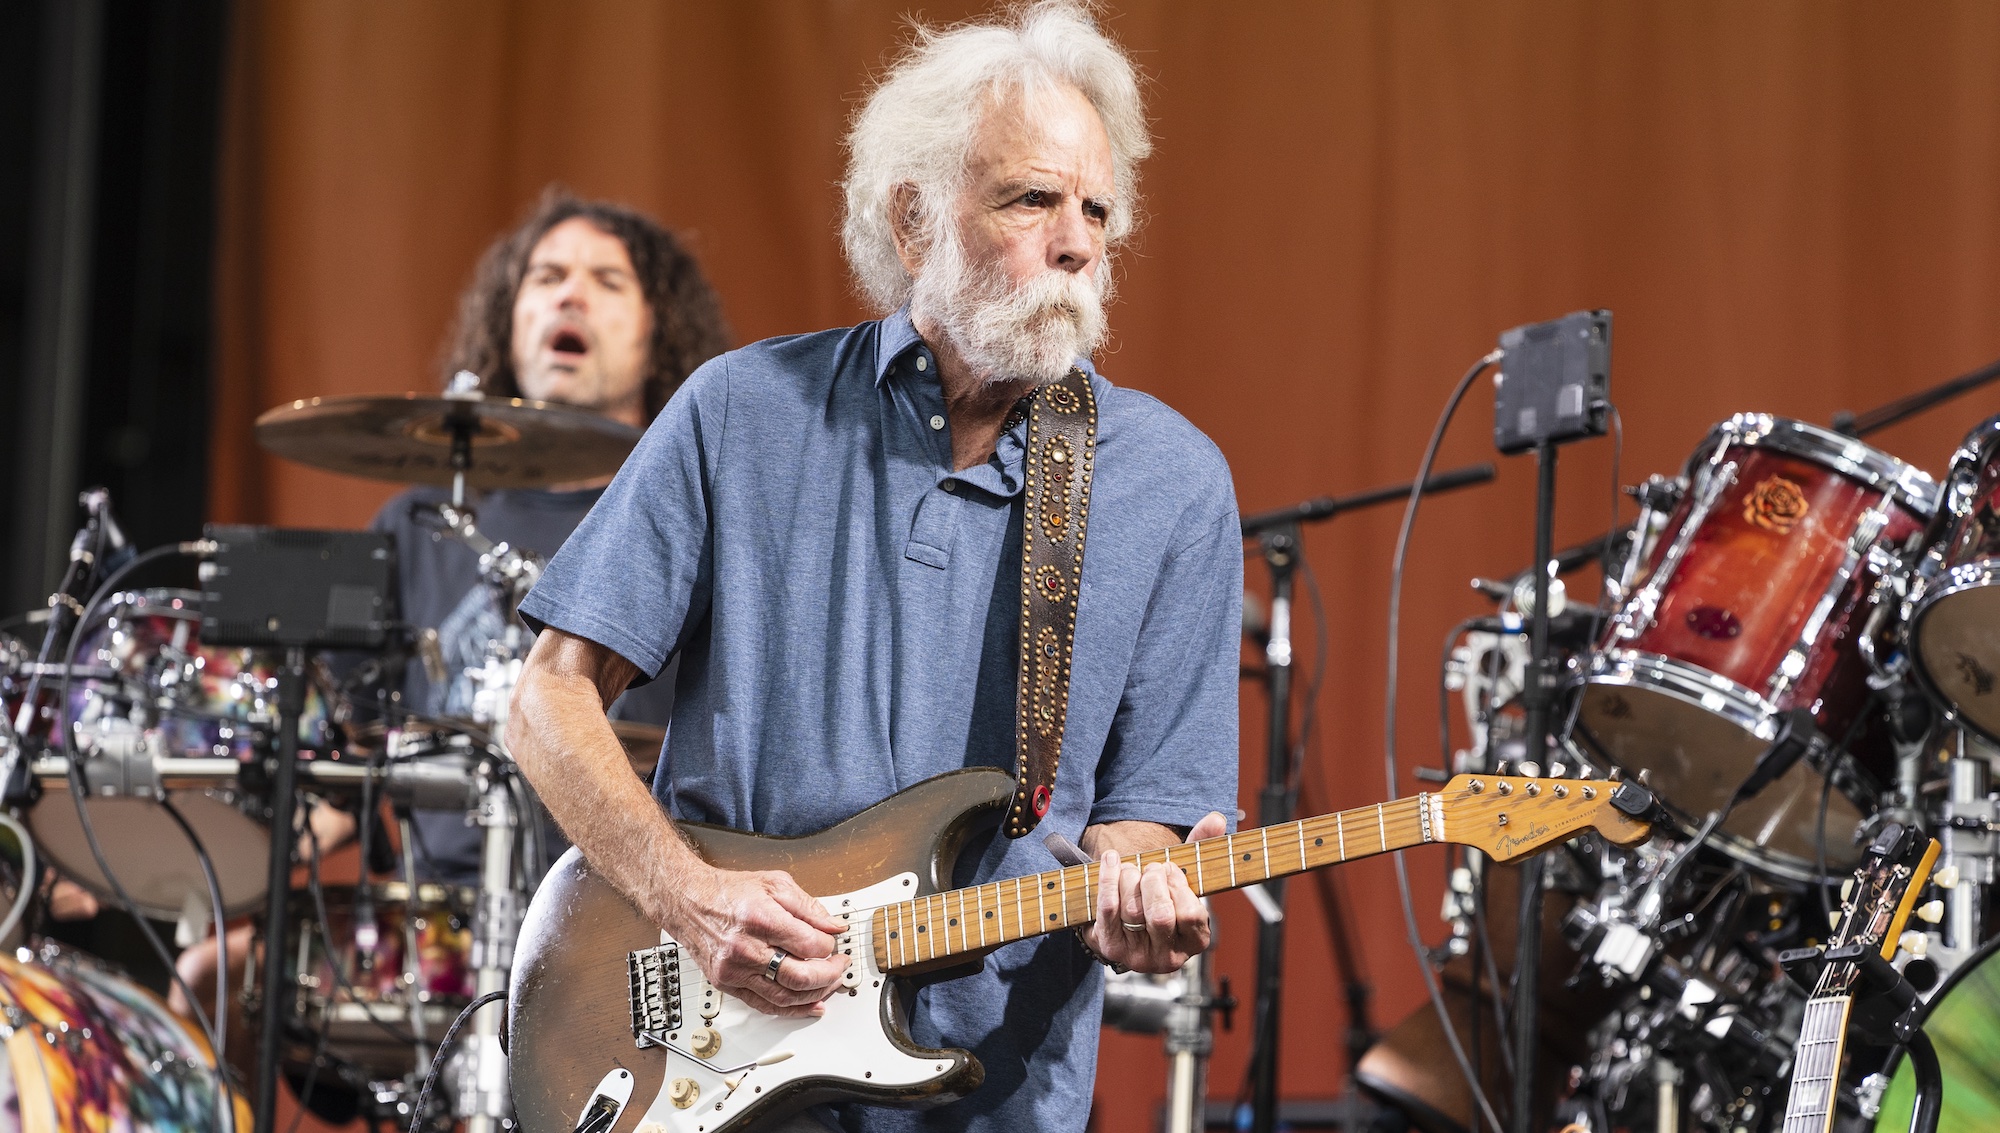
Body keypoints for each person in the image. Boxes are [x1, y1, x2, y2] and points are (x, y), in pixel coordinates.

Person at [508, 4, 1242, 1130]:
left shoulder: (1172, 481)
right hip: (710, 1067)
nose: (1077, 243)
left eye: (1096, 209)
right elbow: (546, 698)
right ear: (913, 219)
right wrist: (689, 897)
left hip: (996, 1093)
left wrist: (1140, 887)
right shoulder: (743, 410)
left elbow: (1144, 815)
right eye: (1031, 199)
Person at [169, 191, 730, 1059]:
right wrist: (183, 861)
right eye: (547, 276)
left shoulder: (682, 511)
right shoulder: (421, 524)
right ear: (510, 318)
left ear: (658, 332)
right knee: (210, 977)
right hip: (438, 929)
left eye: (606, 281)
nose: (570, 294)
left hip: (621, 912)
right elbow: (349, 767)